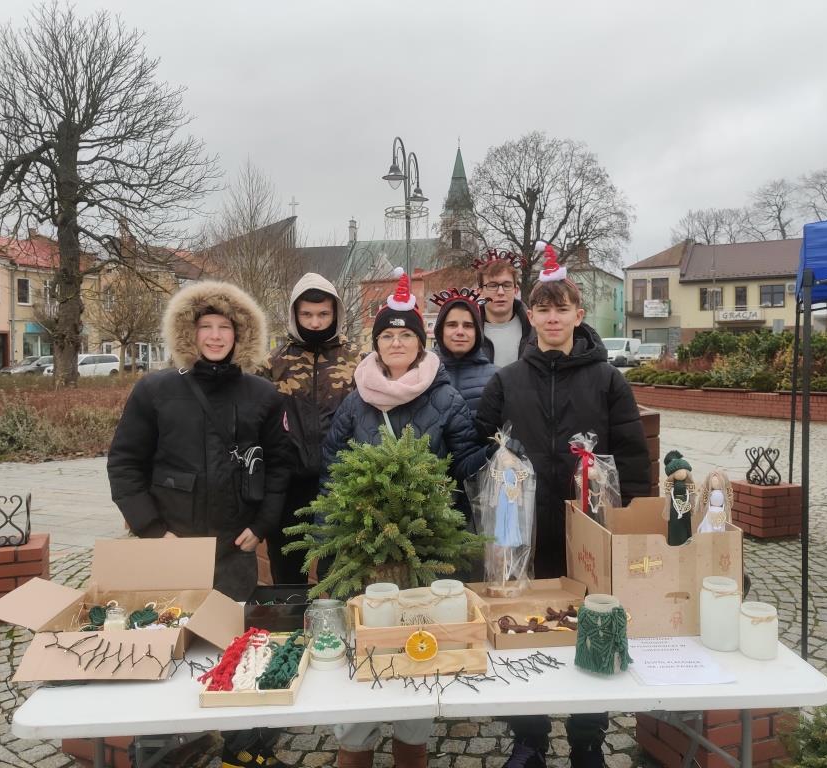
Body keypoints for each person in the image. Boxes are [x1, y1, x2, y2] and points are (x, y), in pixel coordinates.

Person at [476, 243, 651, 768]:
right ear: (531, 317)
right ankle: (528, 737)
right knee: (525, 625)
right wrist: (498, 470)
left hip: (588, 527)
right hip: (523, 529)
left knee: (589, 624)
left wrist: (628, 523)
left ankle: (587, 737)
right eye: (543, 309)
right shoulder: (506, 380)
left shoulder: (608, 379)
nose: (552, 318)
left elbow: (633, 454)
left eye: (562, 308)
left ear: (579, 314)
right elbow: (480, 446)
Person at [107, 280, 293, 768]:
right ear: (189, 333)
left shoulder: (262, 395)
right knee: (167, 648)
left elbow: (279, 467)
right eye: (205, 327)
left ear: (241, 334)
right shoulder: (155, 390)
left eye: (224, 327)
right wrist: (151, 530)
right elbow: (125, 464)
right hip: (171, 548)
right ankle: (169, 748)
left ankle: (242, 747)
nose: (214, 336)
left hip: (234, 549)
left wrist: (264, 524)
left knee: (237, 649)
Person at [323, 270, 486, 768]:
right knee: (366, 658)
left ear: (421, 343)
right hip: (363, 552)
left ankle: (411, 748)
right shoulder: (355, 401)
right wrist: (326, 540)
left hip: (424, 551)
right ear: (376, 343)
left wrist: (496, 459)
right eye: (387, 335)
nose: (396, 342)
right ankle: (355, 749)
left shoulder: (445, 397)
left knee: (417, 659)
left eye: (406, 334)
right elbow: (332, 472)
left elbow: (465, 464)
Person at [264, 273, 360, 583]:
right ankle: (290, 622)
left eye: (323, 314)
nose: (315, 322)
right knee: (287, 572)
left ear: (335, 314)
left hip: (343, 484)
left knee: (340, 574)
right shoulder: (273, 363)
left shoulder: (358, 360)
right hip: (289, 485)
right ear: (294, 314)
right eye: (306, 314)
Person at [431, 286, 496, 415]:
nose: (460, 332)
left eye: (468, 326)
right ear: (440, 331)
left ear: (477, 332)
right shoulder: (421, 373)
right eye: (452, 325)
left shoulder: (496, 379)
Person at [475, 248, 535, 366]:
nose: (500, 292)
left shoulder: (535, 329)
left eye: (507, 285)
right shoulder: (469, 330)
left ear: (515, 290)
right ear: (480, 292)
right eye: (492, 285)